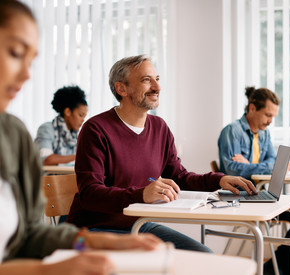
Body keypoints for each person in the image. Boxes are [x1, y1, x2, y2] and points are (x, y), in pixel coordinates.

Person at [0, 1, 161, 274]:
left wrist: (93, 241)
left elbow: (30, 236)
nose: (27, 74)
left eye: (32, 61)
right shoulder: (78, 130)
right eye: (16, 53)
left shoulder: (13, 134)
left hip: (118, 222)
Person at [66, 54, 257, 253]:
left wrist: (219, 180)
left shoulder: (159, 127)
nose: (157, 88)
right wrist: (142, 194)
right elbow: (89, 194)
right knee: (168, 261)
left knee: (203, 255)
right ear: (121, 88)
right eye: (146, 80)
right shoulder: (96, 129)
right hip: (95, 229)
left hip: (139, 225)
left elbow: (178, 177)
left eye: (157, 80)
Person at [218, 87, 290, 275]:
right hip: (239, 197)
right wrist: (264, 166)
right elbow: (231, 170)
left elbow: (272, 160)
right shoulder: (232, 131)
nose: (270, 121)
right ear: (252, 108)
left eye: (273, 116)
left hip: (257, 193)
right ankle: (279, 268)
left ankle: (280, 266)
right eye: (268, 115)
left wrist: (251, 165)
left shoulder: (264, 133)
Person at [35, 85, 88, 165]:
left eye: (84, 116)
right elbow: (46, 159)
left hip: (69, 177)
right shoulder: (46, 129)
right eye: (80, 115)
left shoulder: (78, 135)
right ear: (67, 112)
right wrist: (80, 156)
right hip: (48, 177)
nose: (83, 120)